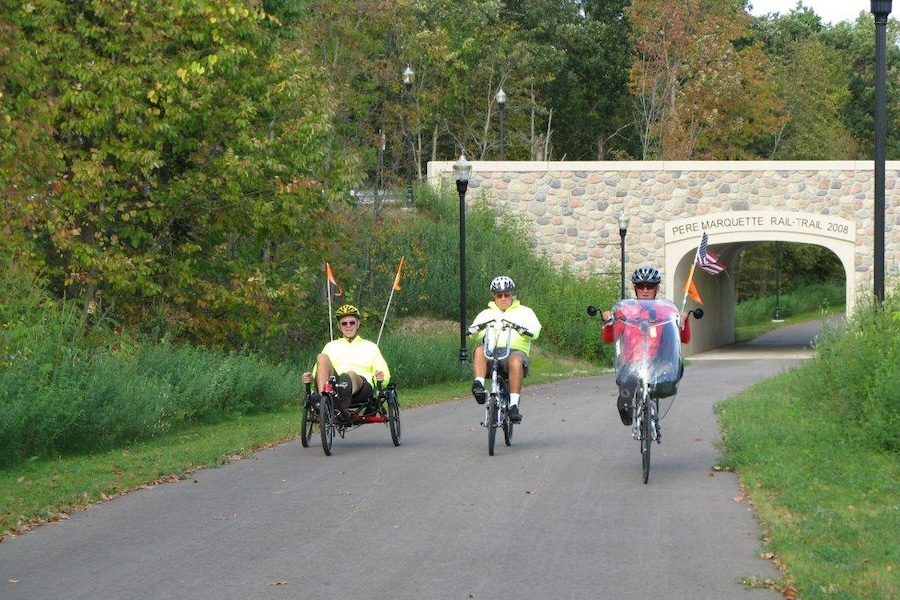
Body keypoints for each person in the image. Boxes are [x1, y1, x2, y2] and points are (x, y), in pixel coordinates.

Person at [601, 266, 692, 426]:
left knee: (667, 383)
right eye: (640, 286)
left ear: (656, 289)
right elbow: (609, 339)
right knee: (625, 398)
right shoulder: (626, 311)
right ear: (635, 288)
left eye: (649, 287)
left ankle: (651, 413)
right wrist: (609, 322)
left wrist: (684, 321)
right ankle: (628, 409)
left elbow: (684, 339)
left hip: (658, 362)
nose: (645, 290)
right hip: (631, 363)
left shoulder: (666, 311)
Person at [469, 276, 542, 423]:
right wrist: (474, 330)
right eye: (499, 295)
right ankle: (479, 386)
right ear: (494, 296)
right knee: (479, 350)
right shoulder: (486, 314)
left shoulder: (525, 312)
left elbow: (535, 331)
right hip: (491, 352)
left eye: (506, 295)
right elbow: (474, 334)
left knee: (516, 360)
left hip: (514, 352)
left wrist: (526, 331)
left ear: (512, 294)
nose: (503, 298)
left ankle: (513, 406)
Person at [301, 304, 390, 422]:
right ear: (339, 326)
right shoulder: (330, 346)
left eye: (352, 322)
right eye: (344, 323)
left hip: (360, 388)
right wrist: (310, 380)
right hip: (335, 387)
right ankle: (323, 401)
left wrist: (381, 378)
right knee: (321, 357)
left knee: (350, 374)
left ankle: (342, 404)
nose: (348, 326)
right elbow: (319, 371)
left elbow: (383, 372)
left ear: (358, 323)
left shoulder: (370, 347)